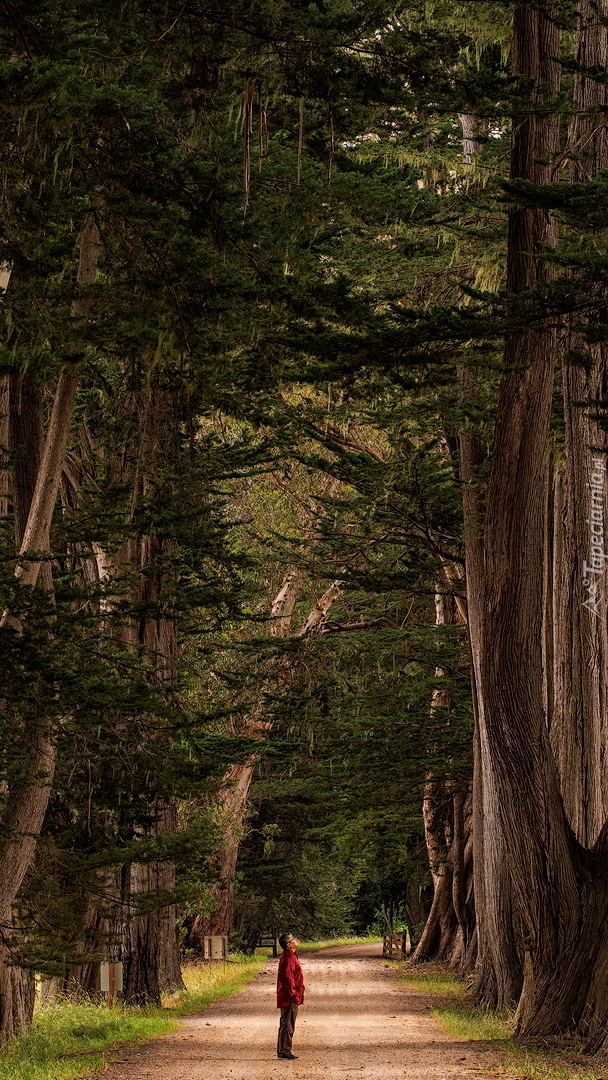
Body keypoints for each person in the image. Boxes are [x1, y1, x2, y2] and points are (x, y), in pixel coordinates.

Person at [276, 932, 304, 1059]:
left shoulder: (291, 956)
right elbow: (288, 978)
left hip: (291, 995)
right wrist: (293, 994)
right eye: (293, 939)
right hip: (289, 997)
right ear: (289, 945)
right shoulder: (287, 958)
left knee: (287, 1023)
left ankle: (283, 1050)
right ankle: (285, 1052)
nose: (296, 940)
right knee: (287, 1024)